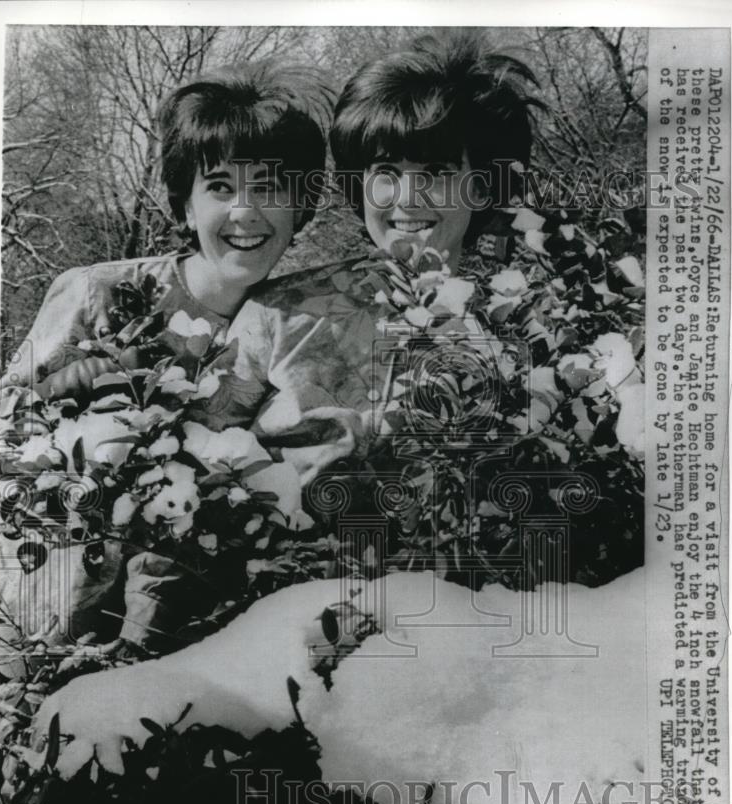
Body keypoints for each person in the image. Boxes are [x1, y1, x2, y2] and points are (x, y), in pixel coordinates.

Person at [0, 61, 334, 657]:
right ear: (184, 205)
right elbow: (3, 436)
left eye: (269, 188)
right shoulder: (99, 294)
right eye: (221, 187)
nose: (245, 212)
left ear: (300, 208)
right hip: (51, 612)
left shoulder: (293, 327)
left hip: (185, 633)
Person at [219, 32, 539, 483]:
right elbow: (200, 458)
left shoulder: (527, 325)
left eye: (436, 172)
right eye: (385, 172)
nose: (406, 199)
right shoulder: (281, 313)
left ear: (483, 186)